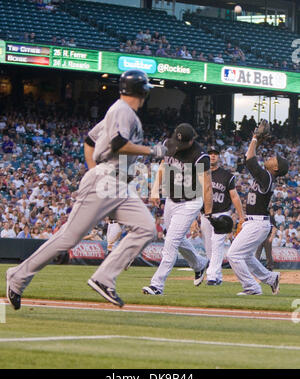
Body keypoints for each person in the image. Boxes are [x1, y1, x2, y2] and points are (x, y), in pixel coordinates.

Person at [6, 70, 168, 310]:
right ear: (142, 91)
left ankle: (104, 278)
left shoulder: (120, 112)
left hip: (119, 183)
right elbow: (118, 144)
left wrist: (95, 170)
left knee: (145, 228)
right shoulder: (122, 110)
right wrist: (152, 152)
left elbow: (90, 141)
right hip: (107, 178)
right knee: (69, 237)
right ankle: (18, 276)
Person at [142, 123, 212, 295]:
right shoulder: (169, 143)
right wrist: (154, 189)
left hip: (190, 201)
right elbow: (163, 166)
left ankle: (157, 285)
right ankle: (199, 264)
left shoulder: (200, 156)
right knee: (172, 236)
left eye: (182, 143)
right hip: (171, 199)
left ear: (191, 140)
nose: (178, 146)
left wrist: (208, 213)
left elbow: (207, 187)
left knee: (171, 242)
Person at [226, 120, 289, 295]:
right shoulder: (267, 176)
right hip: (254, 222)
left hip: (258, 223)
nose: (270, 158)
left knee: (233, 255)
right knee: (244, 256)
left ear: (276, 167)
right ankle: (270, 278)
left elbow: (250, 161)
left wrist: (255, 139)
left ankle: (252, 287)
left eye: (273, 159)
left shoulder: (268, 177)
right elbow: (250, 160)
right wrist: (257, 142)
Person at [200, 145, 245, 285]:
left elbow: (235, 197)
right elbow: (194, 197)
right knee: (209, 246)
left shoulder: (226, 175)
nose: (213, 156)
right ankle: (217, 276)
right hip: (206, 215)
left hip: (222, 214)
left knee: (217, 243)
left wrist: (241, 216)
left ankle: (212, 275)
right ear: (206, 156)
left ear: (219, 157)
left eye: (215, 154)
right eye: (210, 153)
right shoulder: (199, 174)